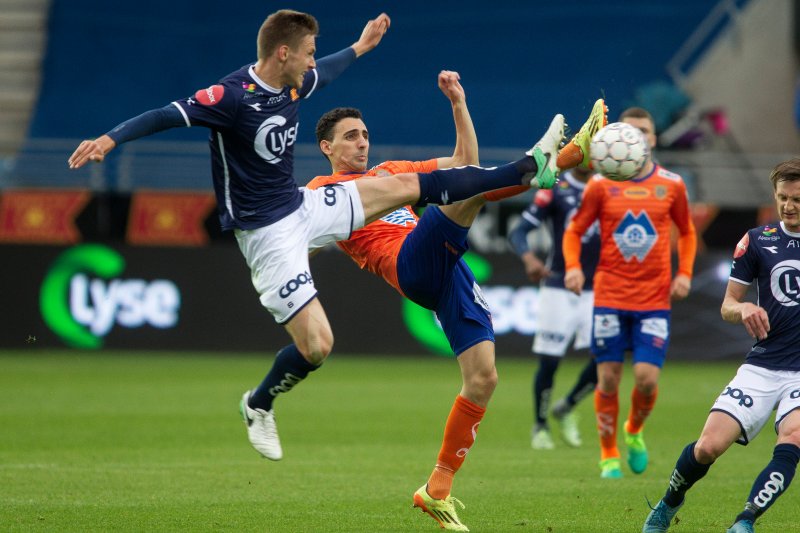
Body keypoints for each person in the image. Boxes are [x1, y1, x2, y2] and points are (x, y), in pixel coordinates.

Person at [67, 9, 569, 468]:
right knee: (318, 346)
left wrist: (361, 47)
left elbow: (327, 70)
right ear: (282, 52)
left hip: (300, 208)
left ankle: (529, 167)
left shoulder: (294, 85)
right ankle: (258, 402)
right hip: (266, 234)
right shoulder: (228, 97)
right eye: (305, 52)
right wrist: (110, 139)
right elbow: (164, 114)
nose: (310, 63)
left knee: (402, 183)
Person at [305, 74, 606, 531]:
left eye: (364, 134)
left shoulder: (389, 174)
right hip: (411, 266)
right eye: (350, 137)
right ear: (327, 147)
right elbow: (298, 236)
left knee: (484, 378)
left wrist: (459, 104)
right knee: (468, 192)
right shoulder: (321, 190)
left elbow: (466, 164)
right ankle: (552, 161)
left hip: (448, 273)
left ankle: (436, 489)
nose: (362, 143)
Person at [642, 158, 800, 533]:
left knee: (793, 437)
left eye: (796, 198)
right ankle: (669, 503)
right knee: (708, 447)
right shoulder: (758, 240)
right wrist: (743, 307)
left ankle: (745, 521)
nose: (789, 206)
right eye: (783, 198)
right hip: (763, 364)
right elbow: (728, 306)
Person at [563, 107, 698, 479]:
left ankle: (633, 431)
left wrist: (684, 272)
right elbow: (574, 231)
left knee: (646, 378)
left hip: (654, 300)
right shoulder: (600, 185)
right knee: (607, 378)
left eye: (644, 130)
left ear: (653, 139)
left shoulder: (672, 184)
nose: (636, 135)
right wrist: (573, 267)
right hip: (609, 295)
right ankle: (608, 454)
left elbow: (686, 231)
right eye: (630, 129)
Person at [507, 164, 601, 450]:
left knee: (607, 359)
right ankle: (540, 424)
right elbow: (519, 231)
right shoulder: (556, 190)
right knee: (549, 361)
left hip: (599, 289)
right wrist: (528, 257)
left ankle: (567, 406)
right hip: (559, 286)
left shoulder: (609, 188)